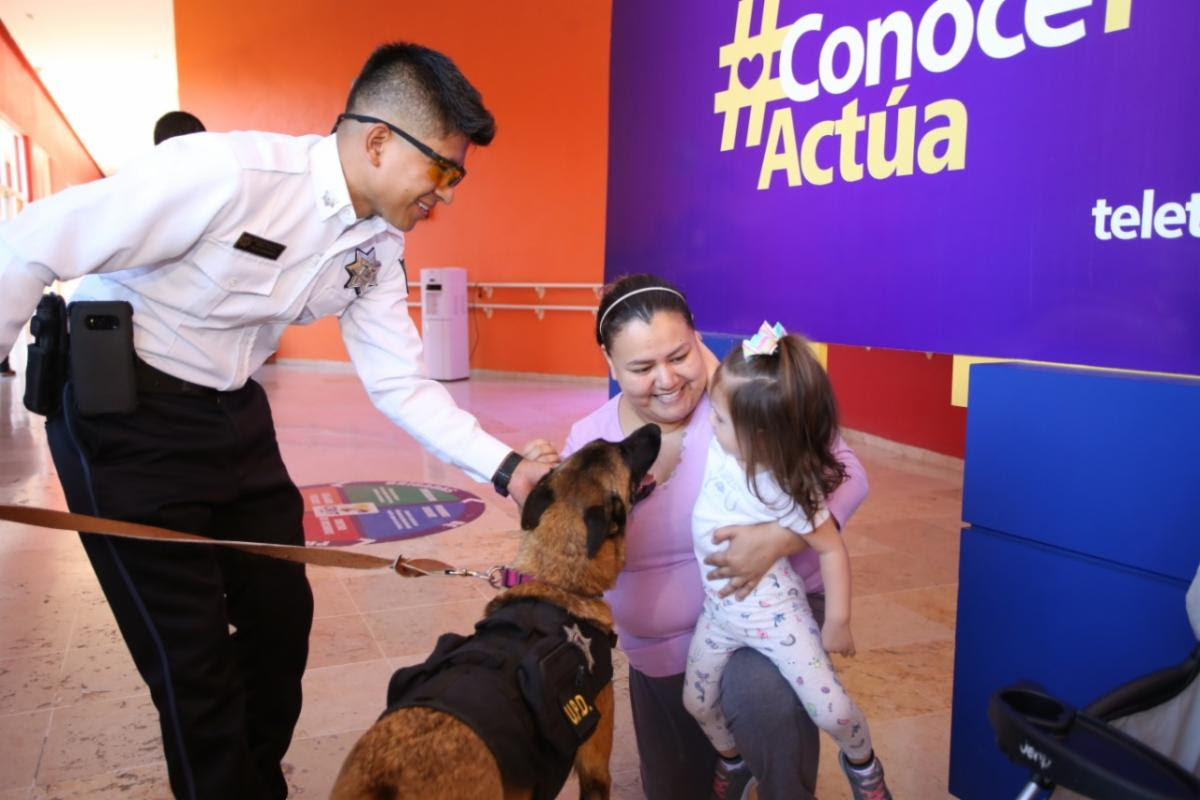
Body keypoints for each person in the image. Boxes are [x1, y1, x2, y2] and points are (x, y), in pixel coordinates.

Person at [0, 42, 552, 799]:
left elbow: (399, 382)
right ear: (379, 141)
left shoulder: (378, 247)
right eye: (443, 171)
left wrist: (509, 468)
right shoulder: (227, 175)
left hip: (234, 414)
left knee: (280, 620)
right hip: (123, 419)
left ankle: (251, 784)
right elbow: (30, 242)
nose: (448, 195)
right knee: (191, 663)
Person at [562, 274, 869, 800]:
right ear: (610, 366)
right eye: (640, 367)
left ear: (697, 340)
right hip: (659, 654)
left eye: (678, 356)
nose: (667, 380)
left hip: (767, 622)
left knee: (762, 701)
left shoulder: (745, 400)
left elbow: (850, 476)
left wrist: (780, 538)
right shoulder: (591, 440)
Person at [684, 323, 892, 800]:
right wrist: (690, 344)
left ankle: (864, 766)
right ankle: (734, 761)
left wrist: (837, 621)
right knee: (696, 703)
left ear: (759, 434)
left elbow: (830, 548)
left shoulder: (790, 484)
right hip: (717, 615)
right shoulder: (726, 440)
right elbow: (730, 384)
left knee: (832, 712)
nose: (708, 421)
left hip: (779, 622)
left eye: (716, 417)